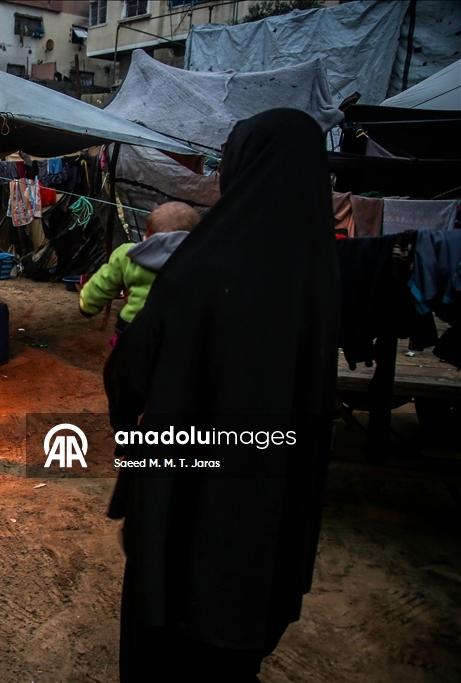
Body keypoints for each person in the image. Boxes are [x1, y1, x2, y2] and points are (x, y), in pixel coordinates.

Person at [105, 109, 340, 681]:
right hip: (272, 491)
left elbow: (129, 373)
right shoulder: (320, 273)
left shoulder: (203, 264)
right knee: (242, 615)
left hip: (187, 479)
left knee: (168, 624)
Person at [79, 201, 201, 346]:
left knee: (128, 364)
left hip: (133, 326)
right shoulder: (204, 261)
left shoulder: (128, 254)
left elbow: (103, 283)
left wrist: (88, 305)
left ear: (146, 237)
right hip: (183, 333)